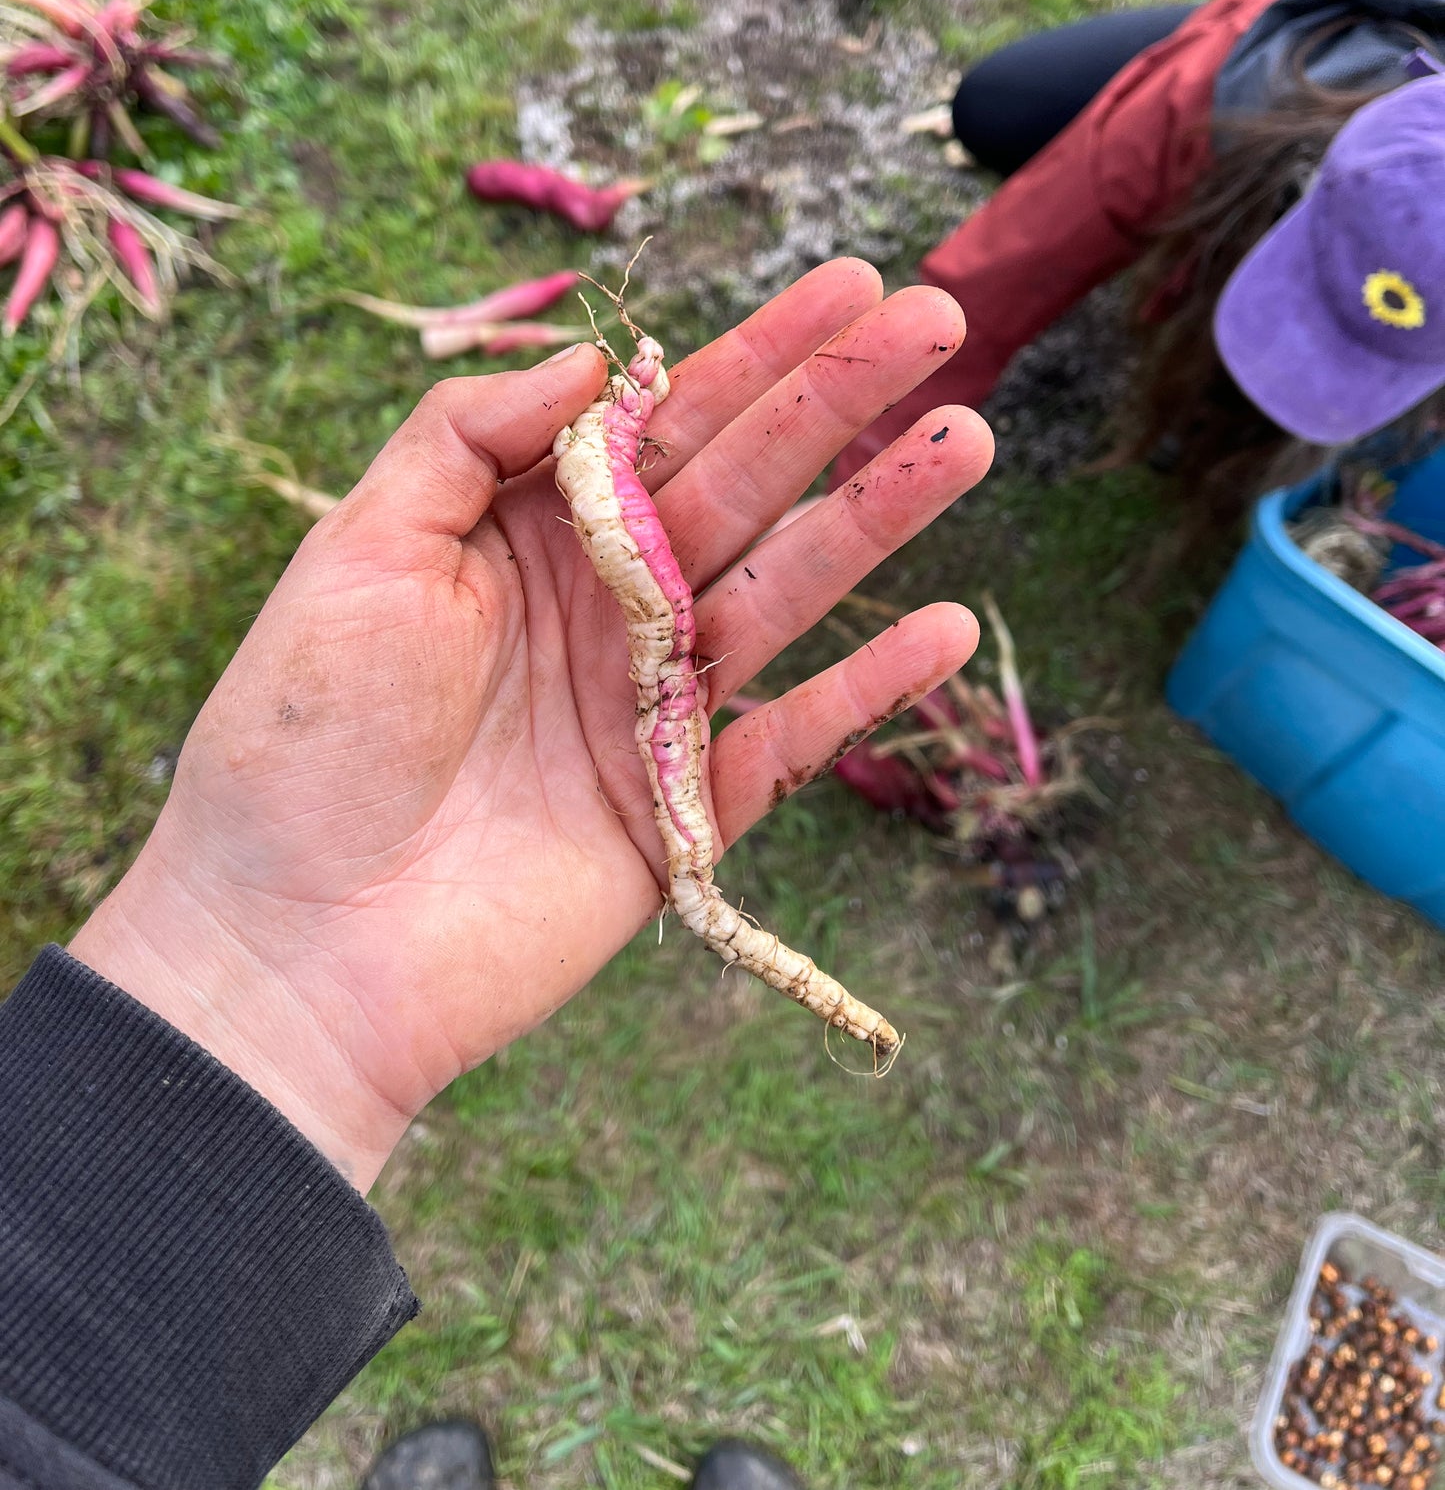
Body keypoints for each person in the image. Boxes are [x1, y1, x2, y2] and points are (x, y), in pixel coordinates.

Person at [0, 263, 993, 1490]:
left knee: (690, 785)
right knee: (692, 816)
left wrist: (249, 990)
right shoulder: (589, 476)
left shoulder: (600, 475)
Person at [833, 0, 1445, 518]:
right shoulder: (1203, 107)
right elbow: (992, 282)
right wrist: (866, 487)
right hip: (1270, 65)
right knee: (996, 109)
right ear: (1292, 191)